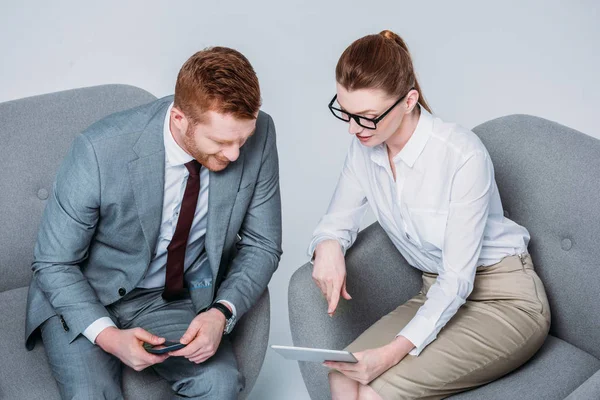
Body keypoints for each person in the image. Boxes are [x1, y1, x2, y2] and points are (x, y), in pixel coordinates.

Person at [24, 46, 282, 399]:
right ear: (179, 119)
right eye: (221, 141)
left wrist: (221, 312)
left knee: (220, 384)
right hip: (85, 290)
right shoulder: (99, 150)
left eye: (243, 140)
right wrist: (109, 336)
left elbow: (262, 244)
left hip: (166, 298)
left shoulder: (262, 133)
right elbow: (54, 263)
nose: (236, 154)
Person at [309, 30, 550, 400]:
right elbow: (336, 221)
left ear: (408, 101)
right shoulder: (364, 149)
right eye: (345, 112)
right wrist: (328, 245)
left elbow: (457, 279)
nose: (354, 128)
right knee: (344, 375)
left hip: (504, 300)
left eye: (367, 117)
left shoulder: (462, 155)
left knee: (377, 389)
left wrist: (389, 356)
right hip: (436, 291)